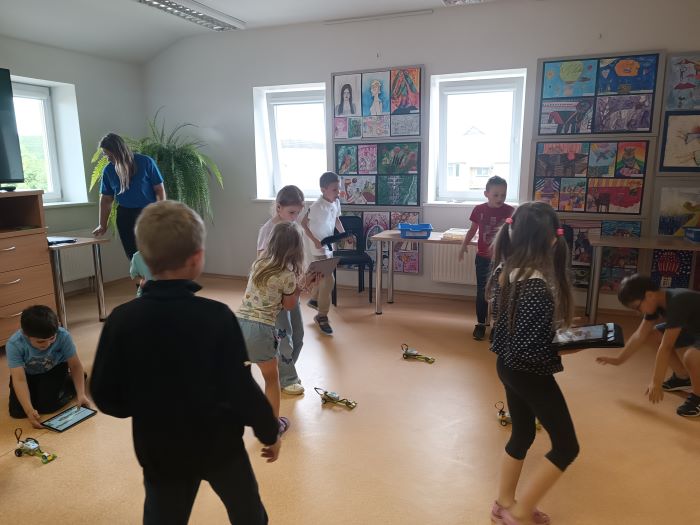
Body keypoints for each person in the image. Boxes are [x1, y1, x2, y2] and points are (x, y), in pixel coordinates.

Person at [90, 201, 280, 525]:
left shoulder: (122, 319)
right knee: (247, 512)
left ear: (143, 257)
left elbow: (105, 394)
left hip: (160, 450)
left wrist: (145, 403)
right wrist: (269, 432)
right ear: (196, 258)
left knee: (163, 517)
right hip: (221, 448)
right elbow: (240, 388)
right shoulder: (217, 316)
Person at [488, 201, 579, 525]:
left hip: (509, 366)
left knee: (523, 433)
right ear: (552, 239)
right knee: (566, 447)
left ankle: (504, 503)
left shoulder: (506, 271)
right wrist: (565, 347)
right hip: (528, 373)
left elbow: (509, 333)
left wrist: (556, 338)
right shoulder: (536, 287)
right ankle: (519, 512)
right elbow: (530, 349)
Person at [238, 222, 318, 436]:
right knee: (272, 380)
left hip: (238, 325)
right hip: (262, 330)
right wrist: (302, 286)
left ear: (272, 242)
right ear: (297, 249)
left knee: (240, 377)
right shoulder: (287, 275)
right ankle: (272, 426)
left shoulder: (259, 263)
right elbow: (289, 305)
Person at [597, 274, 700, 417]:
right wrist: (618, 360)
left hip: (695, 330)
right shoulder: (657, 301)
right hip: (694, 329)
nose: (638, 312)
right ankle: (682, 377)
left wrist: (656, 382)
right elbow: (640, 335)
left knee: (691, 357)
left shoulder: (677, 302)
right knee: (652, 336)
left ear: (649, 295)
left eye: (637, 307)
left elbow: (666, 347)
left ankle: (697, 397)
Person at [257, 185, 306, 396]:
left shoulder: (294, 228)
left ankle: (284, 372)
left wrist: (303, 277)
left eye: (298, 213)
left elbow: (296, 260)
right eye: (291, 212)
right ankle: (287, 379)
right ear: (278, 208)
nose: (295, 217)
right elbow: (260, 261)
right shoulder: (268, 230)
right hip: (275, 294)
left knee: (299, 334)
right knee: (284, 336)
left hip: (291, 289)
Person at [6, 305, 90, 429]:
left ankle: (69, 381)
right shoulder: (14, 344)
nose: (47, 344)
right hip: (28, 374)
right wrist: (29, 410)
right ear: (25, 334)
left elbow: (75, 365)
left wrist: (81, 394)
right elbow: (19, 379)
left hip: (54, 369)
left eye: (52, 338)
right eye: (40, 341)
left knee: (48, 407)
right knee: (17, 412)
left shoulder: (63, 335)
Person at [92, 133, 166, 260]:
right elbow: (106, 199)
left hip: (148, 213)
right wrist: (102, 225)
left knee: (153, 252)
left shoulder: (145, 162)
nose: (108, 159)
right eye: (105, 155)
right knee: (133, 255)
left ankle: (155, 273)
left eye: (110, 155)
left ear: (119, 151)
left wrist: (161, 212)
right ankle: (140, 273)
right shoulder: (108, 171)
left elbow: (159, 190)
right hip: (125, 215)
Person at [458, 175, 514, 341]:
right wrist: (463, 246)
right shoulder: (479, 210)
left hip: (503, 260)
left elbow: (515, 233)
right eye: (496, 195)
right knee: (482, 292)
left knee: (501, 293)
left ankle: (497, 326)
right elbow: (472, 230)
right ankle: (481, 324)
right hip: (483, 258)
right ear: (486, 194)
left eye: (503, 195)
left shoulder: (510, 211)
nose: (500, 198)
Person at [301, 171, 345, 335]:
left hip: (329, 245)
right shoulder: (316, 206)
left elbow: (337, 219)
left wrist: (344, 234)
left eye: (338, 188)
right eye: (334, 189)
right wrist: (315, 241)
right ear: (323, 190)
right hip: (318, 247)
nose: (338, 192)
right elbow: (303, 223)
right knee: (328, 279)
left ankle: (314, 299)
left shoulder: (336, 202)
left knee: (320, 276)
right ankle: (322, 316)